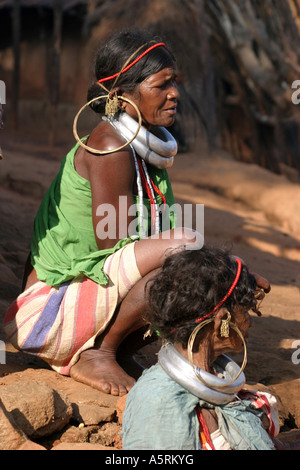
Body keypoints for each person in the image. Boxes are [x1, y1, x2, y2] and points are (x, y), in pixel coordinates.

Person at [3, 29, 268, 397]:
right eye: (161, 85)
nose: (174, 93)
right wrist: (219, 264)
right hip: (46, 315)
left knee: (198, 263)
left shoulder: (144, 149)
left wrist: (232, 270)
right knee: (188, 247)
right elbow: (116, 247)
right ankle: (98, 351)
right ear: (121, 95)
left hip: (86, 300)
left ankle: (112, 350)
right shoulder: (112, 146)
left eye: (174, 83)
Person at [122, 246, 300, 450]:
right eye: (245, 312)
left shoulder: (218, 378)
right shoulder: (160, 404)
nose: (250, 322)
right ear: (222, 320)